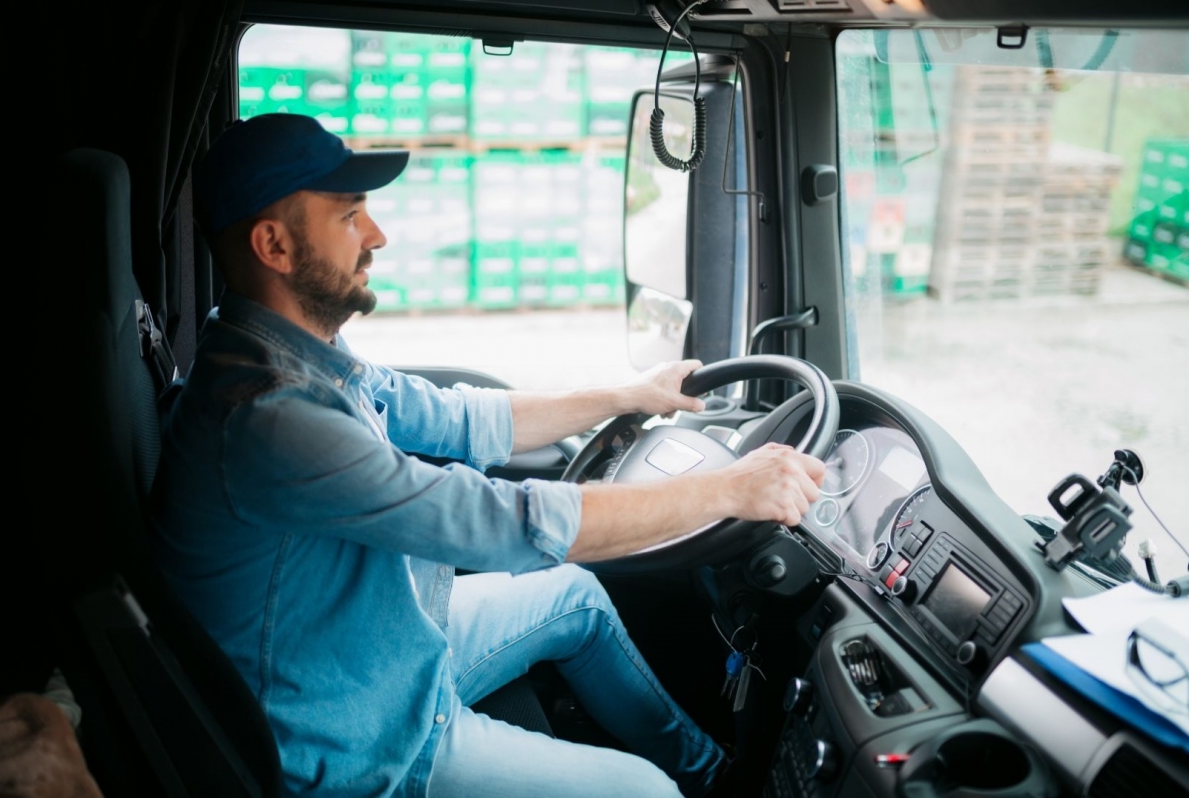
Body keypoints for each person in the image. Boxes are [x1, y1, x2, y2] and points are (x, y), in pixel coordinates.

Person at [153, 113, 825, 798]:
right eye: (351, 216)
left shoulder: (287, 354)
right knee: (646, 793)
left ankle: (717, 778)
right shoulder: (271, 417)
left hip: (370, 649)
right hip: (351, 732)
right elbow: (506, 524)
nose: (377, 236)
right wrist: (729, 490)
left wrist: (632, 393)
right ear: (275, 246)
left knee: (576, 599)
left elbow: (457, 414)